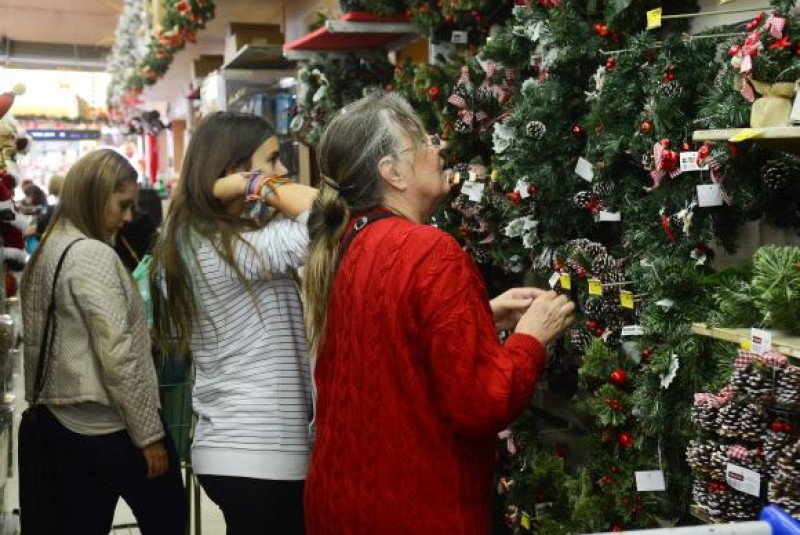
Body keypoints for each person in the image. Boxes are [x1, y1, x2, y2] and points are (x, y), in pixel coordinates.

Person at [302, 93, 576, 535]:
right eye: (422, 141)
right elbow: (482, 403)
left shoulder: (349, 243)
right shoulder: (430, 251)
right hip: (414, 509)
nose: (439, 148)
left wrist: (477, 316)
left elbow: (390, 341)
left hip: (342, 505)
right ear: (391, 172)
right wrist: (531, 337)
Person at [150, 111, 317, 534]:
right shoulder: (228, 248)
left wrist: (245, 186)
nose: (283, 172)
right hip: (261, 453)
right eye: (273, 160)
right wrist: (255, 185)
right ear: (233, 170)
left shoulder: (198, 239)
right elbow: (327, 215)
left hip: (236, 450)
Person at [20, 149, 187, 534]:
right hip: (111, 423)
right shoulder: (92, 255)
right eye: (122, 204)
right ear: (95, 194)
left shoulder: (51, 248)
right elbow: (118, 357)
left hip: (63, 421)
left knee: (83, 521)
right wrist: (149, 436)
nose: (129, 217)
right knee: (167, 517)